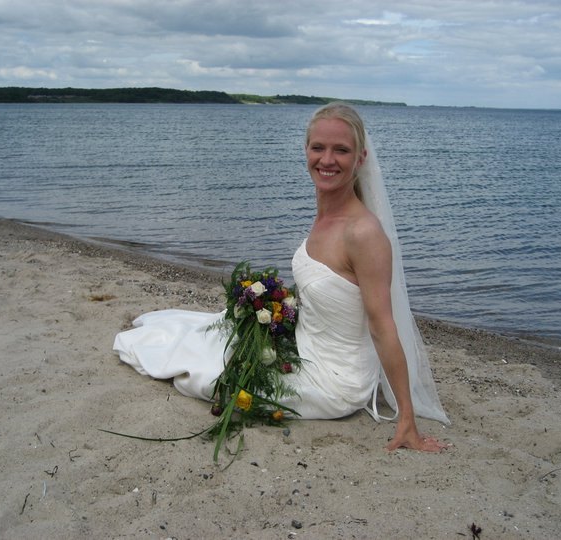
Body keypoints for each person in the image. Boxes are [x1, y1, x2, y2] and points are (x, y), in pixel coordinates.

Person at [113, 102, 449, 453]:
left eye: (341, 150)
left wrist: (407, 420)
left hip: (336, 379)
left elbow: (382, 325)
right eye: (318, 147)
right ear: (305, 150)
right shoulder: (327, 213)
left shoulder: (363, 234)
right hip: (303, 343)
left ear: (361, 158)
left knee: (213, 376)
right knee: (208, 337)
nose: (327, 159)